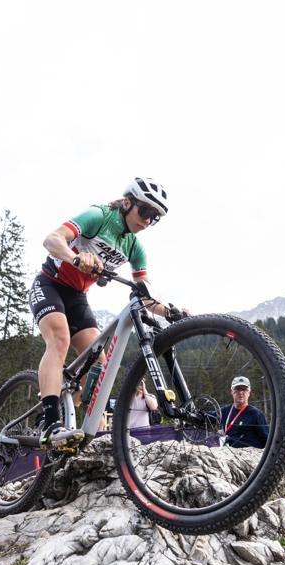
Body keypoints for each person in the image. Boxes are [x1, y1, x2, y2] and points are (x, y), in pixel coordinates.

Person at [30, 177, 185, 446]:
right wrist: (75, 258)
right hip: (50, 284)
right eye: (145, 211)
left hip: (77, 297)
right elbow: (51, 239)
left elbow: (145, 296)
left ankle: (59, 399)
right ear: (127, 203)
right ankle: (50, 421)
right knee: (60, 340)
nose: (148, 221)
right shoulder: (98, 216)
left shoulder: (135, 248)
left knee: (98, 364)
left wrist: (170, 311)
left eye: (155, 217)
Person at [219, 376, 269, 448]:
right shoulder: (225, 411)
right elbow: (208, 417)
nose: (241, 392)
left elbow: (267, 440)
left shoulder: (256, 414)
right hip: (228, 453)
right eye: (237, 389)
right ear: (232, 392)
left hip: (249, 456)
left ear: (249, 392)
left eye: (244, 389)